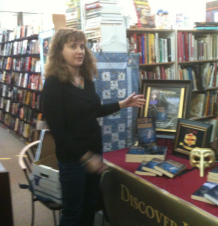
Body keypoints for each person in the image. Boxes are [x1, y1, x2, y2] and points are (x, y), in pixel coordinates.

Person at [42, 28, 145, 226]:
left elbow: (94, 110)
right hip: (74, 159)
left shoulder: (86, 80)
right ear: (59, 51)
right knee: (73, 213)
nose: (80, 51)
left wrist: (123, 104)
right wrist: (85, 157)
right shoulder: (53, 85)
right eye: (73, 46)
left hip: (94, 153)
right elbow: (59, 132)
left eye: (82, 46)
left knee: (90, 206)